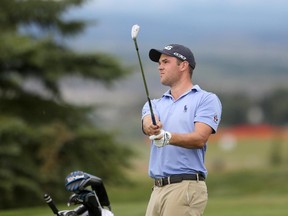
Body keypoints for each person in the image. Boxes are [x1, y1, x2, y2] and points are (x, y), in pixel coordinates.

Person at [141, 44, 222, 216]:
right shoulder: (155, 103)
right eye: (159, 63)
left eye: (165, 62)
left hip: (185, 186)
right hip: (157, 190)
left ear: (183, 65)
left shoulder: (205, 100)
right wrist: (150, 126)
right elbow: (147, 121)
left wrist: (168, 137)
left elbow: (200, 138)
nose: (159, 67)